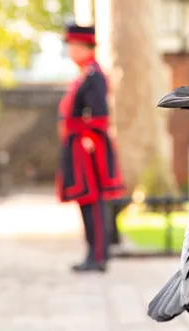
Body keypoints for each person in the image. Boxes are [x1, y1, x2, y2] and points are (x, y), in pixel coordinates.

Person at [56, 23, 126, 273]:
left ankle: (97, 256)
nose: (71, 51)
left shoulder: (94, 76)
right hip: (80, 145)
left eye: (73, 46)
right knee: (86, 201)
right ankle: (93, 253)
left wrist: (87, 138)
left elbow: (98, 114)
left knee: (92, 200)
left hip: (88, 148)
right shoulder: (86, 73)